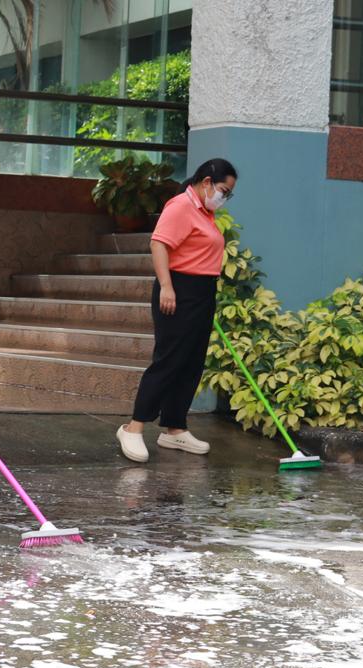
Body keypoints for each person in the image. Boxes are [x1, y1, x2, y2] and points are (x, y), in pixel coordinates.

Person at [116, 158, 238, 463]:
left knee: (191, 361)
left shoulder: (204, 212)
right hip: (178, 291)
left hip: (201, 292)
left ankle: (174, 428)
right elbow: (159, 244)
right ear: (207, 182)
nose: (224, 198)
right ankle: (133, 427)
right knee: (169, 360)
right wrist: (167, 286)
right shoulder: (181, 206)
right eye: (224, 190)